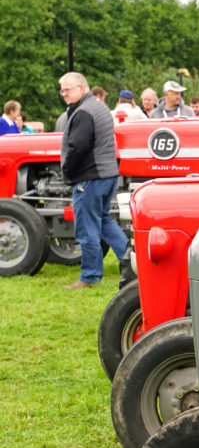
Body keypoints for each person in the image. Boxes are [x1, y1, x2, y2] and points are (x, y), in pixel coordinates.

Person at [58, 71, 128, 289]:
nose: (64, 94)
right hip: (107, 175)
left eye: (67, 90)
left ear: (82, 88)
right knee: (104, 221)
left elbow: (77, 146)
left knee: (87, 228)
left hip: (89, 177)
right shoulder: (99, 106)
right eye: (62, 90)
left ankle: (89, 276)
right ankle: (133, 262)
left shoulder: (84, 112)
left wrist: (68, 171)